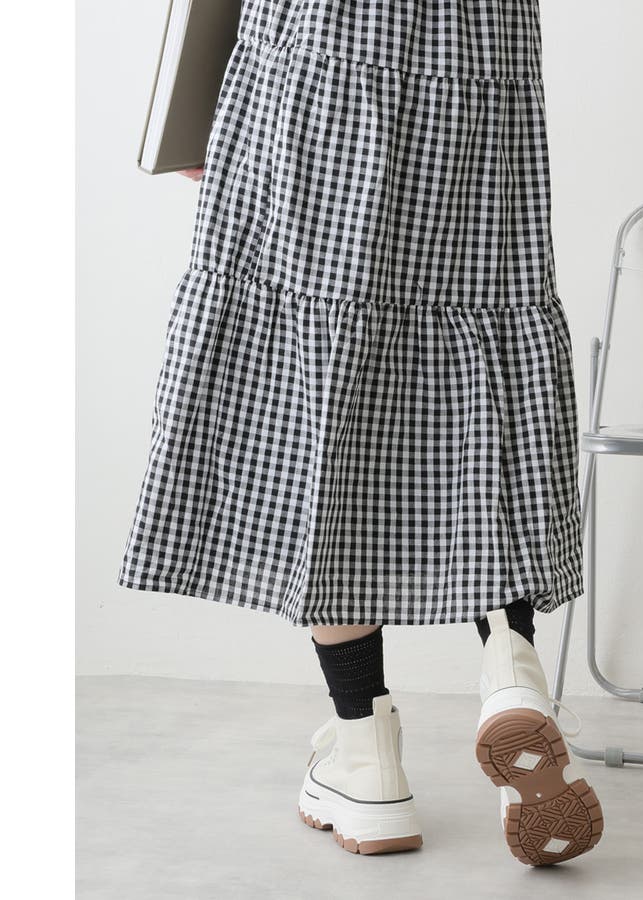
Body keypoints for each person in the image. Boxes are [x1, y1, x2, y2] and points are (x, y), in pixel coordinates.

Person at [119, 0, 602, 867]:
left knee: (324, 386)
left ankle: (366, 759)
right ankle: (511, 669)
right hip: (482, 54)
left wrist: (198, 105)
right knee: (476, 358)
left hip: (320, 51)